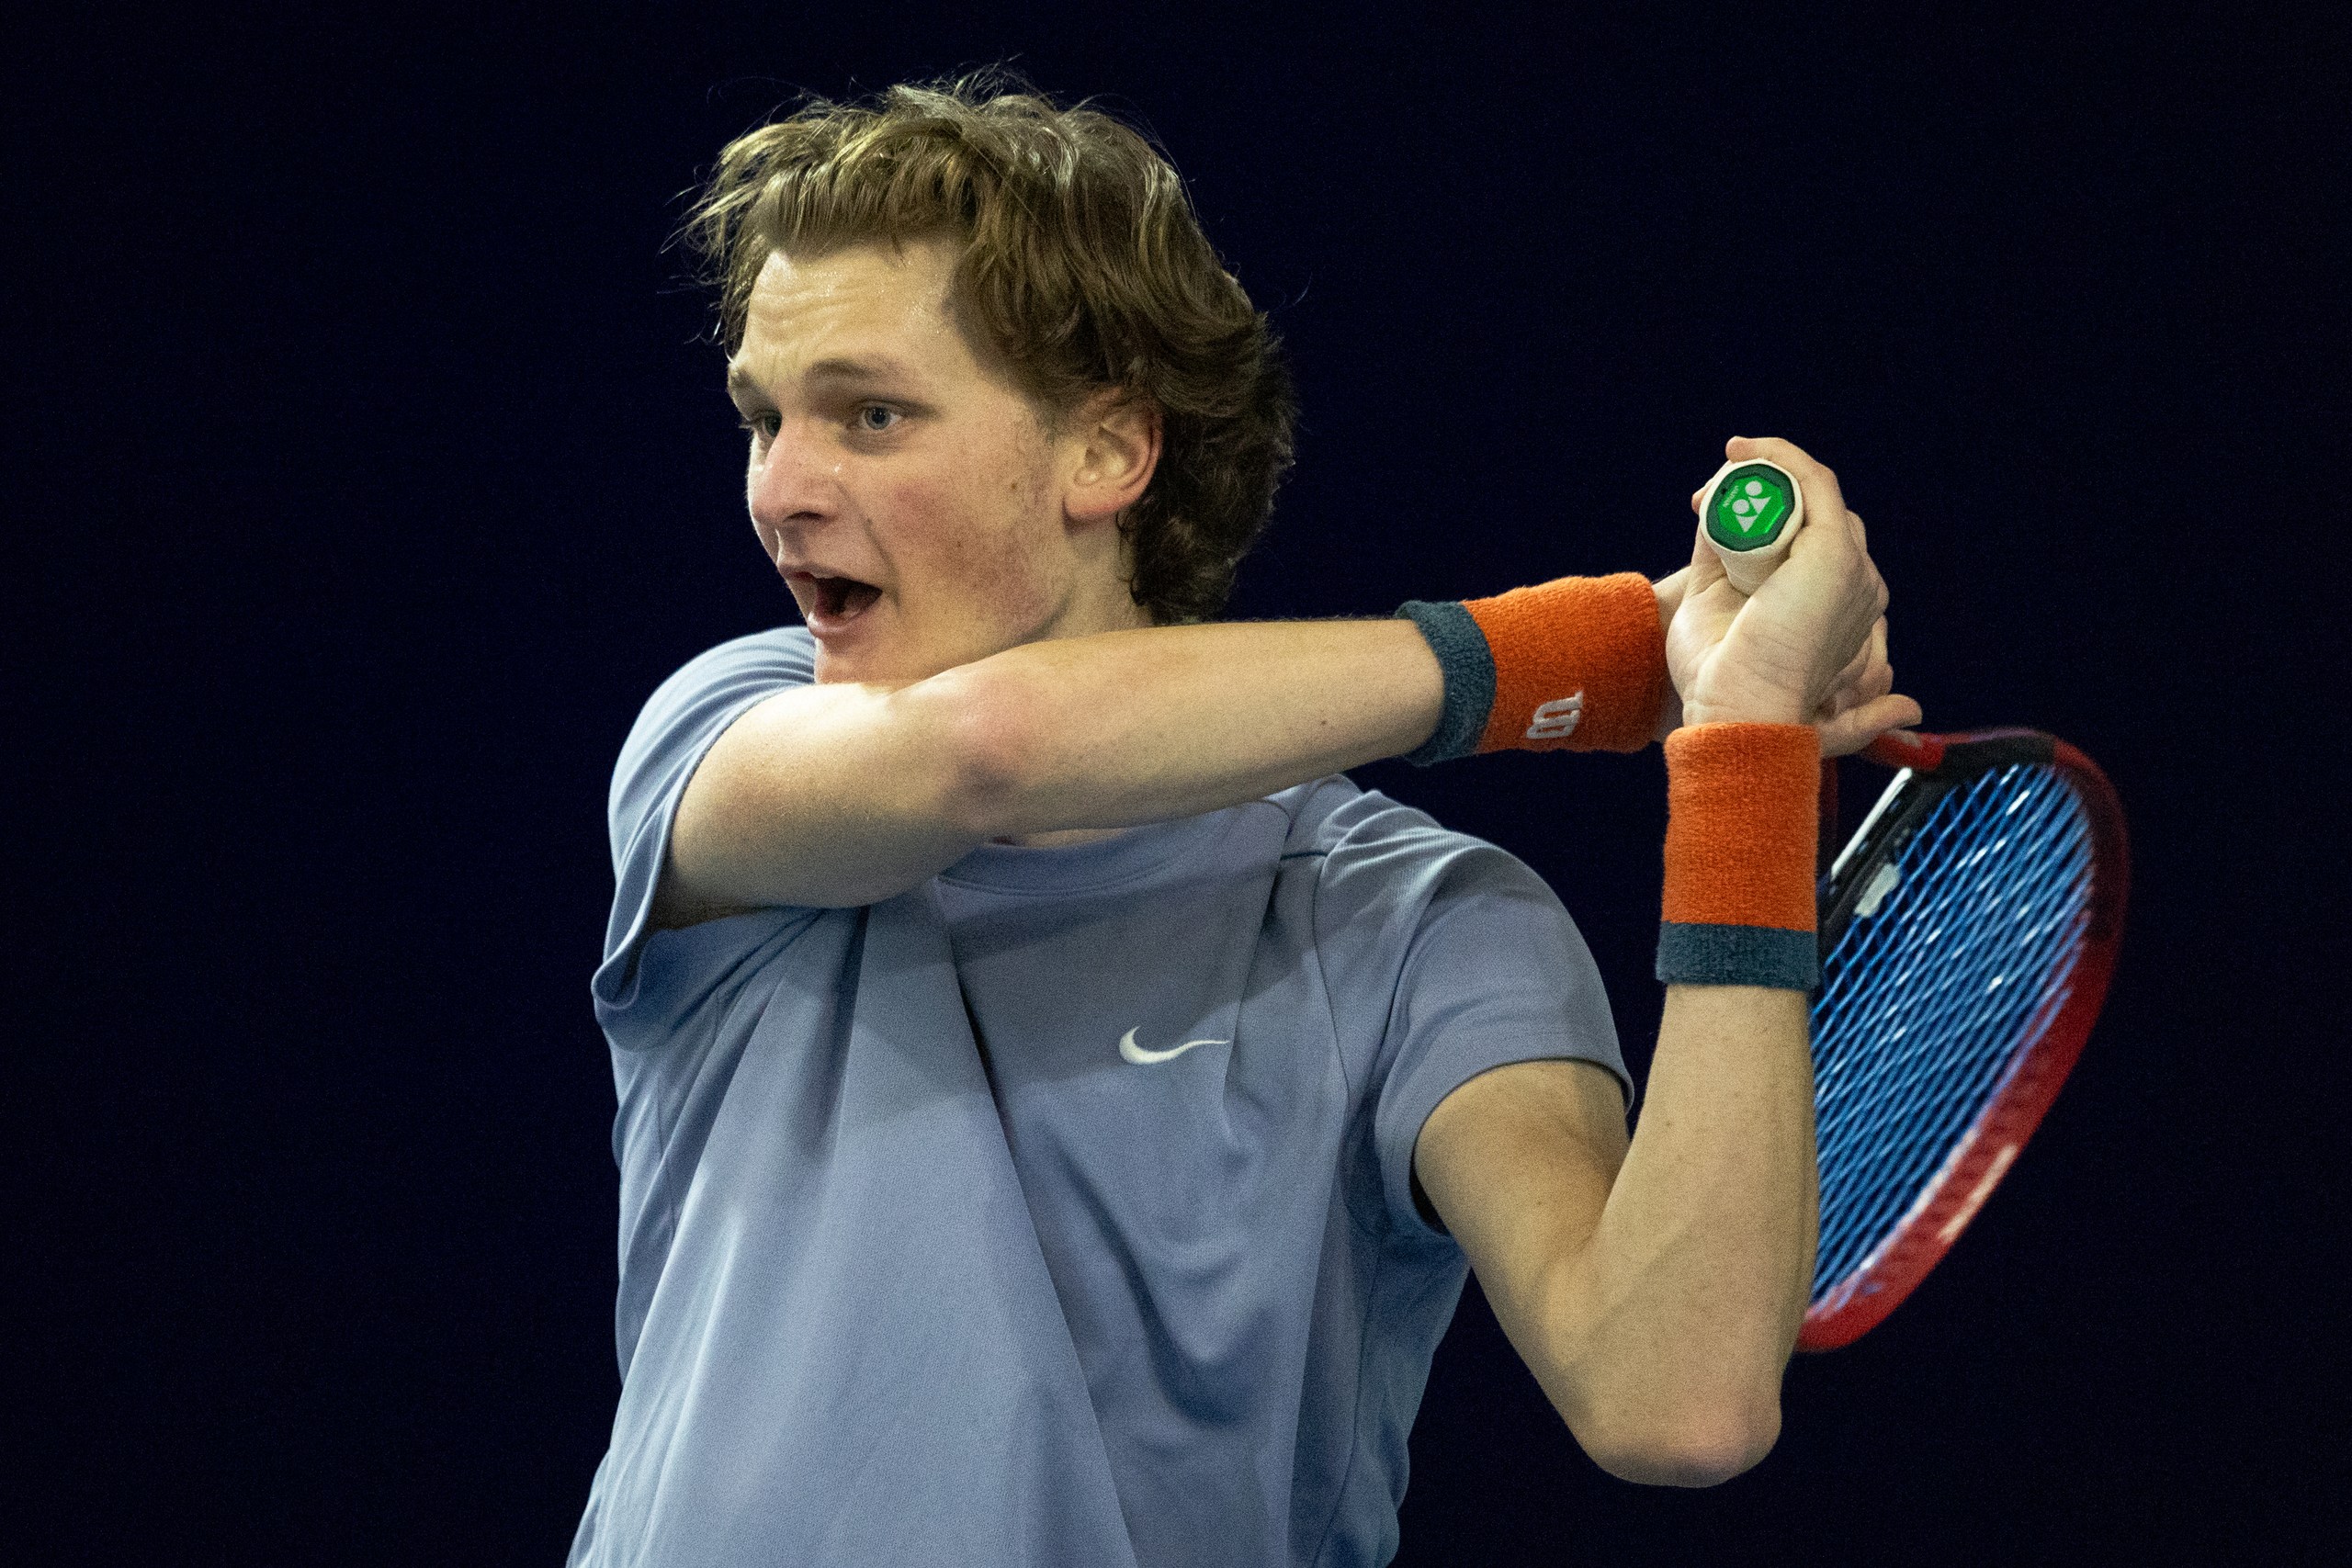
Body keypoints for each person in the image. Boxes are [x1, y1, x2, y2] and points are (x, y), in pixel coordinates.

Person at [569, 75, 1917, 1568]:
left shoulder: (1414, 924)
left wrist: (1744, 750)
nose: (781, 490)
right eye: (763, 418)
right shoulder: (723, 737)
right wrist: (1588, 658)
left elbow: (1675, 1401)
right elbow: (989, 749)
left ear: (1107, 452)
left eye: (870, 415)